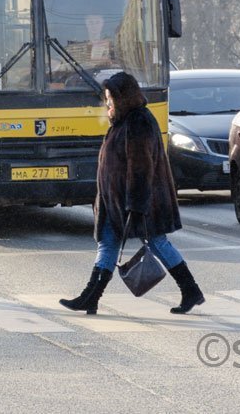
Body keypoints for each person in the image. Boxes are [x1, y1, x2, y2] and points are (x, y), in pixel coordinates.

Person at [59, 71, 204, 315]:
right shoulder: (123, 121)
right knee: (108, 244)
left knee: (157, 242)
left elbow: (140, 167)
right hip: (114, 202)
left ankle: (190, 290)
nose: (107, 104)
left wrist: (136, 206)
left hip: (139, 202)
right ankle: (90, 297)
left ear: (123, 98)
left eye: (110, 99)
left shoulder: (138, 122)